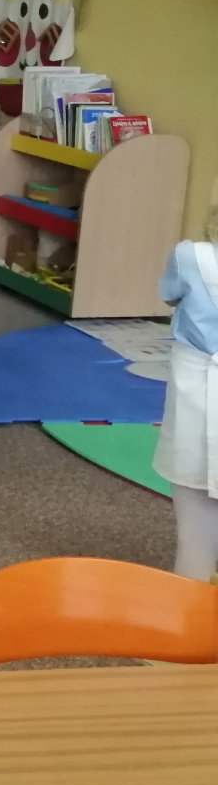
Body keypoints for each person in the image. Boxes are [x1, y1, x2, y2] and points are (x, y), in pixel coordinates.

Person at [152, 212, 218, 581]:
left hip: (196, 390)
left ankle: (192, 599)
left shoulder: (191, 257)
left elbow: (169, 294)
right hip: (198, 385)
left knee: (195, 537)